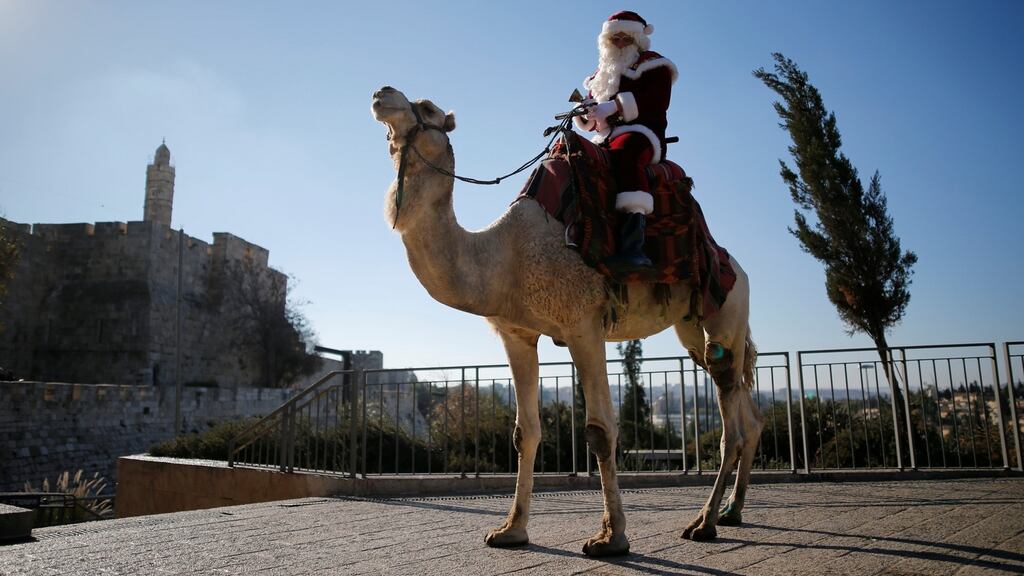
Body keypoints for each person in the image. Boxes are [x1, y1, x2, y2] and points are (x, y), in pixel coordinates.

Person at [574, 10, 678, 271]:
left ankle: (634, 246)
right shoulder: (601, 74)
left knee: (625, 153)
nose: (619, 44)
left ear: (637, 40)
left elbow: (656, 102)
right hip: (604, 136)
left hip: (642, 133)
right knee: (569, 154)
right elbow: (591, 119)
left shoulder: (656, 66)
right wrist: (587, 113)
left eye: (625, 39)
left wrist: (615, 108)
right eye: (614, 39)